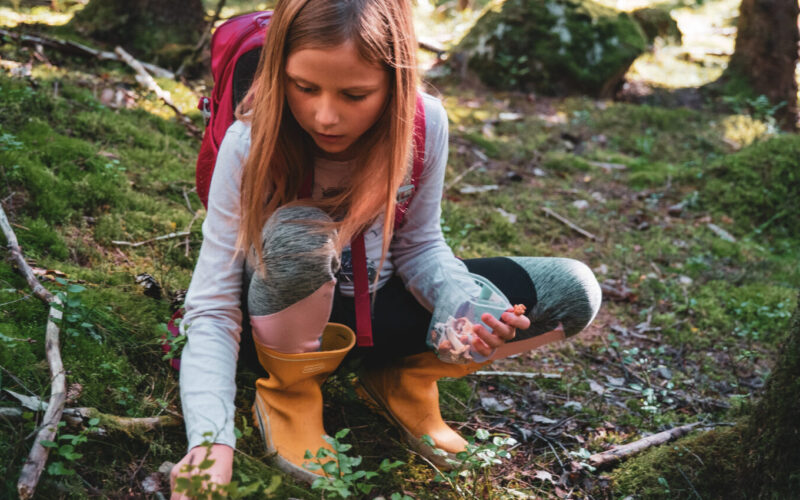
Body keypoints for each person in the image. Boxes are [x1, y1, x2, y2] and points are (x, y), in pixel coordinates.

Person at [170, 0, 602, 496]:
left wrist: (458, 300)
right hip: (278, 323)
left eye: (355, 94)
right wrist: (208, 442)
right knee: (300, 232)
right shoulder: (250, 140)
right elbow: (213, 304)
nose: (325, 116)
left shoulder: (425, 122)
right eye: (304, 87)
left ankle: (401, 378)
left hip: (378, 311)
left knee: (573, 292)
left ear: (395, 82)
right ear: (278, 70)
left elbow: (420, 245)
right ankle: (290, 396)